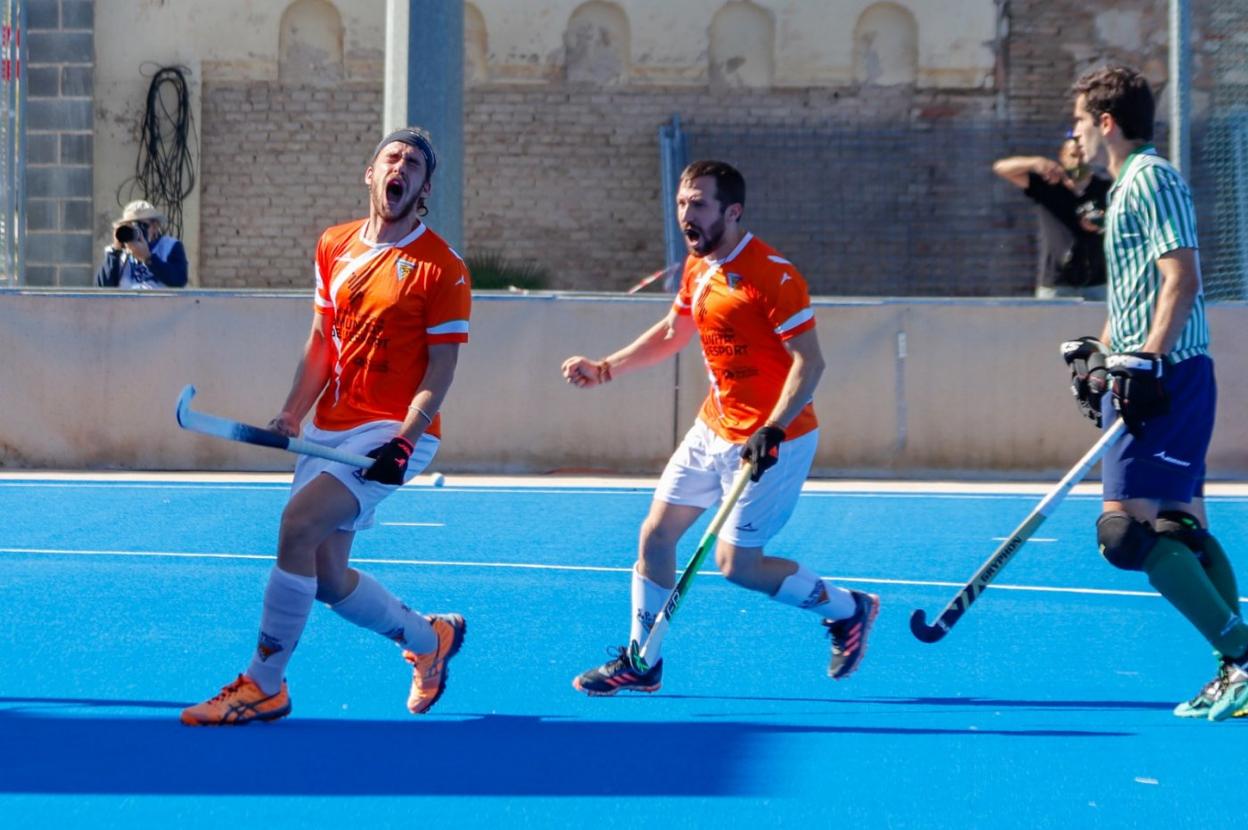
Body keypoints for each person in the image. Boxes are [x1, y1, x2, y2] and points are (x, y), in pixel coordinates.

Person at [181, 127, 472, 725]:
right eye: (392, 157)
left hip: (394, 431)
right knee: (326, 577)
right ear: (371, 174)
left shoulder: (442, 268)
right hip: (330, 428)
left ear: (423, 188)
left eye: (414, 164)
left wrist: (406, 438)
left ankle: (264, 685)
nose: (402, 167)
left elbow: (442, 369)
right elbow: (322, 343)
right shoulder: (334, 244)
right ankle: (428, 638)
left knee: (297, 524)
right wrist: (292, 410)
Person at [561, 160, 879, 696]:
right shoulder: (697, 265)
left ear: (732, 212)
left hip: (775, 440)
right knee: (656, 536)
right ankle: (643, 660)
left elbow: (810, 364)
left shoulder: (773, 276)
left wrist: (772, 430)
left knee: (738, 566)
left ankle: (850, 610)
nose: (686, 213)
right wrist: (606, 367)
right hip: (714, 428)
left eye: (699, 204)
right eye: (683, 202)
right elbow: (673, 331)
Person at [1064, 66, 1248, 722]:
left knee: (1124, 532)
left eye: (1081, 121)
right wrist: (1102, 356)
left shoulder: (1153, 179)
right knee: (1177, 524)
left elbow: (1182, 278)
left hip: (1168, 376)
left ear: (1107, 122)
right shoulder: (1124, 189)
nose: (1076, 133)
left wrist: (1143, 360)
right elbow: (1138, 294)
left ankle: (1244, 658)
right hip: (1152, 371)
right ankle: (1236, 671)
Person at [993, 137, 1110, 300]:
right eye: (1073, 155)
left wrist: (1101, 224)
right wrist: (1035, 162)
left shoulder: (1105, 187)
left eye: (1083, 155)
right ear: (1062, 158)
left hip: (1096, 282)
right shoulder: (1048, 185)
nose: (1079, 161)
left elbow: (1124, 221)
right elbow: (1000, 168)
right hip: (1055, 282)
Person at [94, 200, 189, 288]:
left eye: (142, 225)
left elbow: (179, 280)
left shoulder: (170, 246)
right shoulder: (120, 252)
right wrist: (115, 251)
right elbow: (103, 287)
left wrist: (148, 258)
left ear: (155, 226)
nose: (136, 230)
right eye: (130, 226)